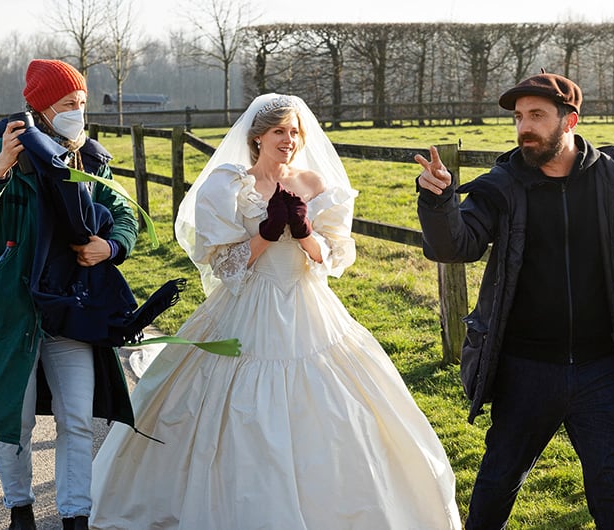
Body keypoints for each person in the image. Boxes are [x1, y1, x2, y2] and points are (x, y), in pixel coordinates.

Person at [89, 93, 462, 530]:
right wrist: (265, 233)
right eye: (279, 131)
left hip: (308, 306)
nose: (289, 139)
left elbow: (336, 257)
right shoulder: (229, 186)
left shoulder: (315, 184)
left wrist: (304, 233)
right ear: (258, 137)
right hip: (246, 304)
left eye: (294, 131)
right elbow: (224, 265)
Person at [414, 72, 614, 530]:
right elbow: (456, 246)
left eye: (536, 115)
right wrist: (438, 204)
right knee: (496, 484)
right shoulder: (503, 185)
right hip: (524, 368)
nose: (524, 127)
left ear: (569, 120)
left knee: (613, 490)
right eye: (518, 117)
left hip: (602, 368)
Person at [0, 59, 139, 530]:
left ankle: (75, 515)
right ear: (41, 108)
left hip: (71, 310)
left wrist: (110, 246)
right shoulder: (3, 150)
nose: (78, 111)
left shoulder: (90, 159)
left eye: (83, 103)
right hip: (13, 311)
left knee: (77, 418)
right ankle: (20, 509)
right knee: (17, 421)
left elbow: (125, 215)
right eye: (68, 104)